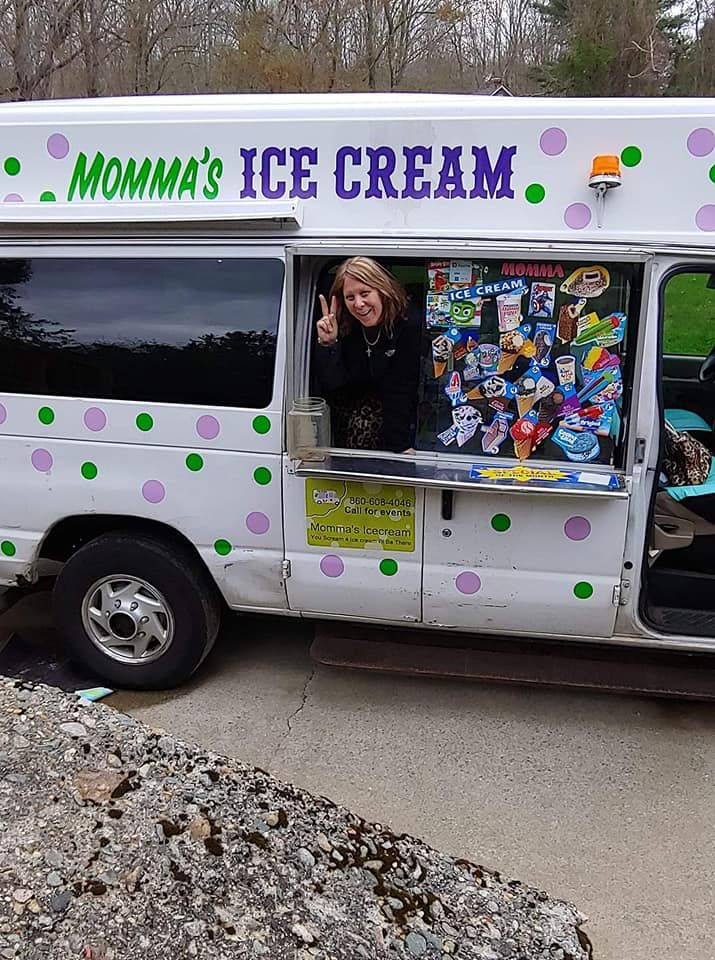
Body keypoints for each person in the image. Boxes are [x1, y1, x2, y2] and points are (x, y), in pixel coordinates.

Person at [313, 256, 421, 453]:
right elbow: (335, 385)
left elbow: (401, 389)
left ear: (382, 290)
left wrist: (401, 447)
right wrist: (329, 344)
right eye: (350, 297)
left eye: (365, 293)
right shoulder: (345, 323)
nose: (359, 304)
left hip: (399, 420)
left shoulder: (407, 322)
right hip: (349, 422)